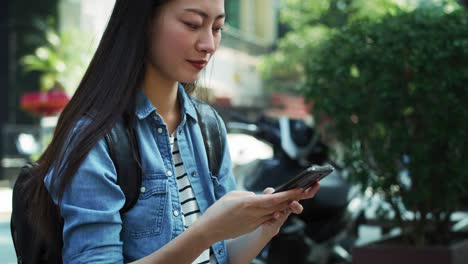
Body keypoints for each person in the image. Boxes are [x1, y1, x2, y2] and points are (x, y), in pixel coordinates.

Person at [32, 0, 320, 263]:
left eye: (217, 28)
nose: (209, 44)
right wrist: (204, 233)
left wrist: (264, 228)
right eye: (193, 24)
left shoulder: (208, 126)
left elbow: (220, 256)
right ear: (143, 22)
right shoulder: (95, 138)